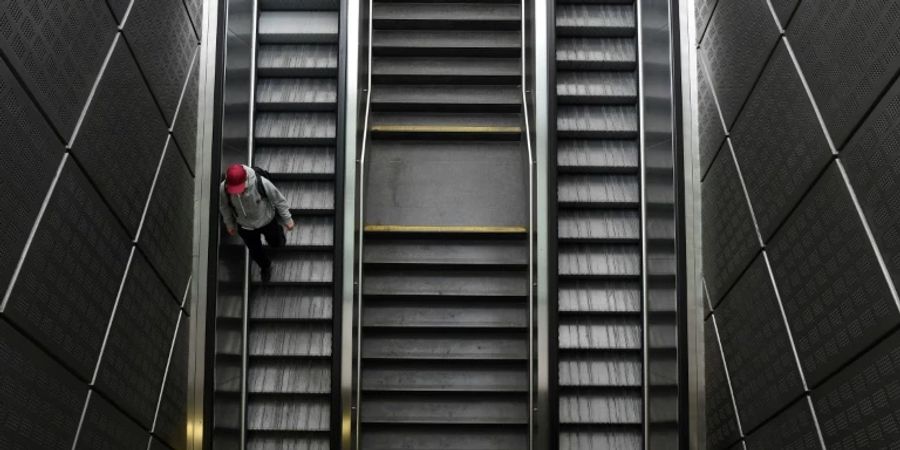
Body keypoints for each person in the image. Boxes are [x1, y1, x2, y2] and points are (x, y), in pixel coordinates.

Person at [219, 163, 294, 281]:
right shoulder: (224, 189)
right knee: (255, 251)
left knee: (275, 242)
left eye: (239, 189)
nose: (237, 193)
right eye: (234, 190)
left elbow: (279, 200)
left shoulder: (261, 183)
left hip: (267, 220)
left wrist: (287, 219)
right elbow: (224, 207)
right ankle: (265, 266)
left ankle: (279, 236)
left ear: (246, 180)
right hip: (245, 226)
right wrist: (229, 224)